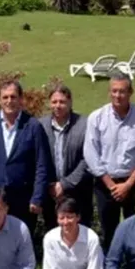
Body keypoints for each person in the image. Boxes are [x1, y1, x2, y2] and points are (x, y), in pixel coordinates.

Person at [83, 72, 135, 249]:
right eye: (114, 91)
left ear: (130, 92)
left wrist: (128, 185)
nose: (118, 95)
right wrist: (111, 186)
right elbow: (91, 154)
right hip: (105, 184)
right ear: (109, 92)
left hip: (134, 182)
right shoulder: (96, 118)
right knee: (109, 232)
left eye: (122, 91)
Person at [0, 80, 51, 229]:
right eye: (5, 97)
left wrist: (37, 197)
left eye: (13, 97)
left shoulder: (33, 126)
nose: (9, 101)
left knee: (22, 244)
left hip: (24, 200)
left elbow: (42, 164)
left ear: (20, 99)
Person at [40, 85, 92, 227]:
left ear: (70, 103)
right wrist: (51, 185)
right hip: (51, 195)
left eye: (62, 102)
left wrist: (65, 184)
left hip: (78, 192)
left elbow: (88, 159)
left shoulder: (84, 125)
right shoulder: (41, 125)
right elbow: (38, 158)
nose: (58, 106)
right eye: (54, 102)